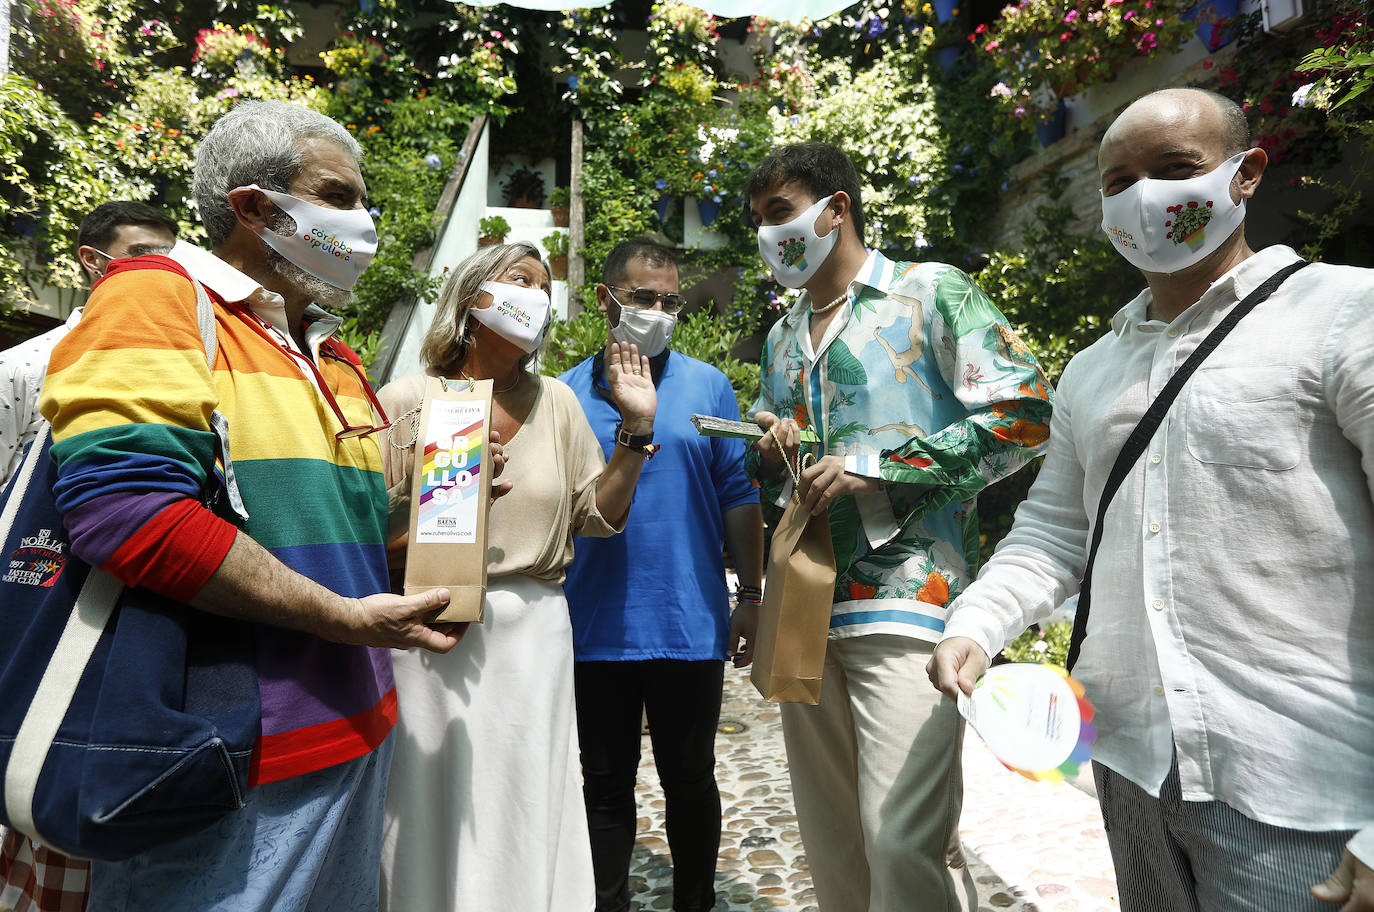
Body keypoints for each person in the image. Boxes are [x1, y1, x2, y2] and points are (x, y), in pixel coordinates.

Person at [929, 87, 1374, 912]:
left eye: (1176, 169)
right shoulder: (1093, 369)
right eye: (1119, 180)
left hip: (1301, 791)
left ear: (1247, 174)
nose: (1145, 198)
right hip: (1128, 762)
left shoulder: (1348, 315)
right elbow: (1057, 532)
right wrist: (977, 623)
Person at [32, 99, 470, 911]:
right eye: (339, 196)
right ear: (255, 208)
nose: (364, 220)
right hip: (224, 758)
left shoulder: (333, 352)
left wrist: (442, 519)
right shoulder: (156, 296)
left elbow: (335, 546)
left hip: (357, 734)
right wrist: (343, 620)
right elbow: (128, 514)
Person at [742, 141, 1053, 912]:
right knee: (832, 838)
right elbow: (788, 470)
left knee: (902, 838)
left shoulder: (929, 291)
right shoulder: (784, 338)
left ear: (836, 208)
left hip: (914, 594)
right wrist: (773, 452)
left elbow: (1026, 413)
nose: (768, 234)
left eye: (780, 213)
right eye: (758, 222)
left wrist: (881, 467)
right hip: (808, 601)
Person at [377, 242, 657, 912]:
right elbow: (367, 539)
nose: (537, 294)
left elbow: (595, 515)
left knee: (526, 796)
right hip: (431, 628)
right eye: (519, 281)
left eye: (545, 285)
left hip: (533, 632)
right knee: (429, 797)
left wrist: (636, 430)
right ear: (473, 298)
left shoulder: (558, 402)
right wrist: (453, 511)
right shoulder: (409, 400)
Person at [559, 239, 765, 912]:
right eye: (643, 297)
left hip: (687, 620)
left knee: (690, 782)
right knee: (605, 790)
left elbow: (739, 495)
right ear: (606, 299)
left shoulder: (708, 384)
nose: (657, 311)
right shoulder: (562, 394)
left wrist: (752, 596)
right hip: (592, 627)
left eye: (669, 300)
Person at [0, 201, 177, 487]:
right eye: (141, 254)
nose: (157, 268)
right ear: (92, 260)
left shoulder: (181, 364)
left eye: (169, 258)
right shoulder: (22, 365)